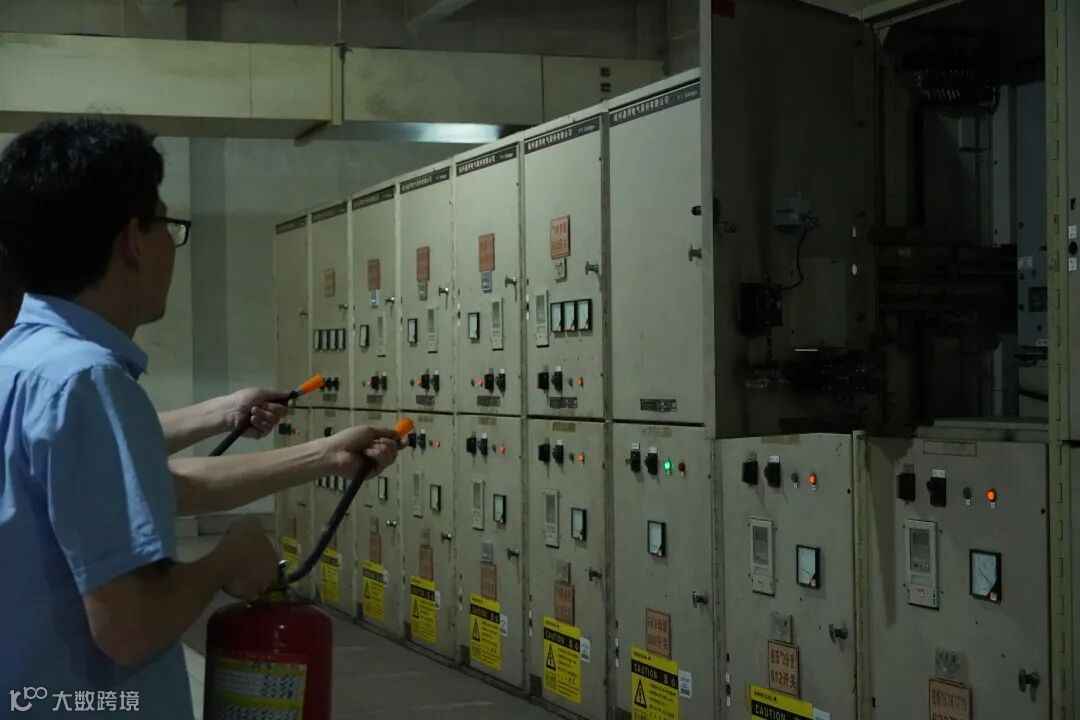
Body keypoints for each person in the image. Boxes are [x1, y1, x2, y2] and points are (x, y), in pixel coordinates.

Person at [0, 118, 399, 719]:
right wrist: (224, 562)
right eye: (166, 225)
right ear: (133, 240)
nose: (170, 246)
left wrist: (322, 454)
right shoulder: (87, 382)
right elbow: (129, 627)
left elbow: (143, 483)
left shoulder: (21, 363)